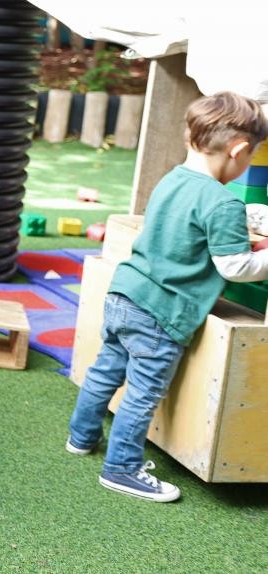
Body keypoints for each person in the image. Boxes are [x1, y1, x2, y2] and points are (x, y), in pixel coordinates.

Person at [67, 91, 268, 502]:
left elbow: (185, 233)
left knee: (106, 370)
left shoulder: (172, 179)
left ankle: (81, 436)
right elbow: (235, 267)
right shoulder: (222, 201)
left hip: (125, 294)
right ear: (239, 149)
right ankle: (121, 468)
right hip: (162, 313)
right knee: (144, 392)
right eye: (252, 157)